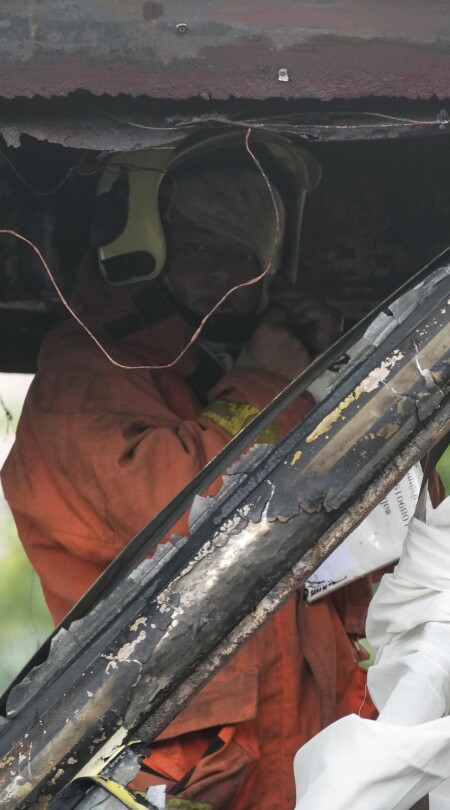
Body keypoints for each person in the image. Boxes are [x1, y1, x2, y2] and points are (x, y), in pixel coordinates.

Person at [1, 130, 373, 809]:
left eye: (242, 257)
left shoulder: (247, 379)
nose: (225, 278)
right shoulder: (85, 376)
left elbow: (403, 538)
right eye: (201, 249)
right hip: (179, 779)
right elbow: (186, 520)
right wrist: (266, 385)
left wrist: (338, 388)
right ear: (138, 240)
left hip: (318, 771)